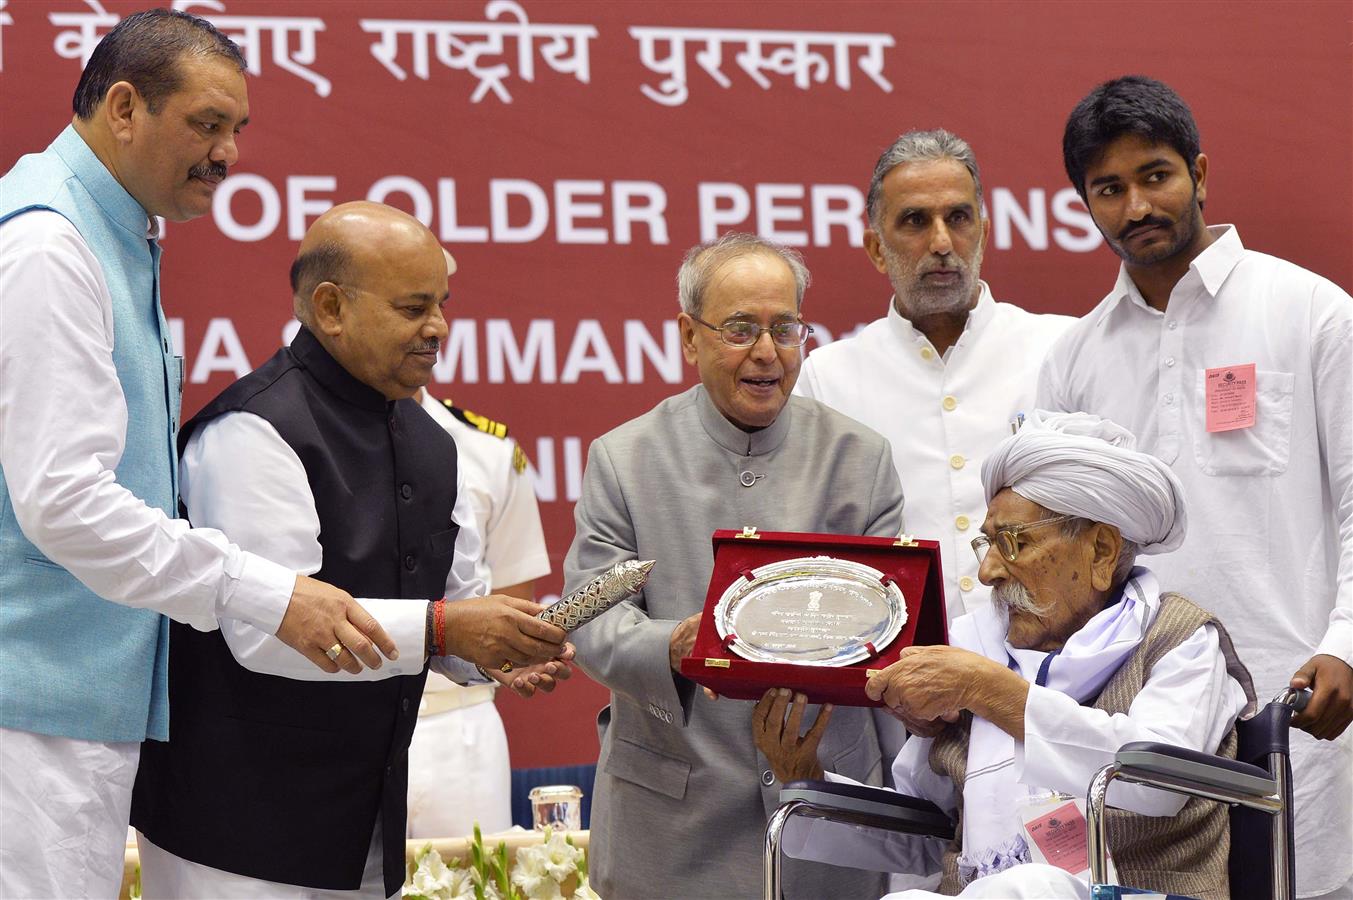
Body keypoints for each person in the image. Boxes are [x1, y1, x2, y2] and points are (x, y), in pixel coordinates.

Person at [0, 11, 395, 898]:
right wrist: (262, 593)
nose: (227, 155)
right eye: (206, 125)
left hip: (60, 708)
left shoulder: (108, 233)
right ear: (126, 107)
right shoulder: (49, 245)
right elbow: (63, 501)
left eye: (237, 131)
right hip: (28, 718)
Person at [130, 202, 572, 898]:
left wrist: (491, 648)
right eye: (411, 307)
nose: (438, 328)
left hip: (365, 821)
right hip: (232, 828)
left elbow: (449, 609)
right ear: (331, 308)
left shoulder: (434, 442)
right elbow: (268, 631)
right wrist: (448, 629)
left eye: (441, 305)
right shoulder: (253, 430)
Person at [1040, 75, 1352, 898]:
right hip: (1140, 725)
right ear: (1084, 203)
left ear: (1199, 173)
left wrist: (1345, 644)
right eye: (1109, 188)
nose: (1137, 204)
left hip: (1296, 699)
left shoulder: (1310, 312)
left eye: (1155, 175)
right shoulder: (1073, 359)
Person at [757, 411, 1256, 900]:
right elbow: (923, 832)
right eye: (987, 543)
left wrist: (990, 690)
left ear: (1101, 550)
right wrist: (806, 777)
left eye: (1013, 542)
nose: (989, 571)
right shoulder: (977, 645)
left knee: (1029, 887)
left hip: (1138, 892)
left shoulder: (1181, 638)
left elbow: (1154, 782)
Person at [564, 232, 906, 899]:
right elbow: (591, 618)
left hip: (823, 811)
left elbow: (890, 629)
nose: (766, 353)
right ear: (689, 338)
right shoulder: (624, 458)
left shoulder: (857, 459)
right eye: (740, 329)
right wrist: (673, 643)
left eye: (785, 329)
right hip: (671, 825)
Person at [795, 129, 1072, 619]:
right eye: (915, 221)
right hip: (896, 678)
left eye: (958, 218)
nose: (942, 242)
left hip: (1051, 672)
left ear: (983, 232)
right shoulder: (826, 379)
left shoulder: (1060, 347)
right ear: (877, 249)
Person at [407, 275, 552, 837]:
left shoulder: (488, 451)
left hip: (460, 723)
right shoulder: (300, 440)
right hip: (336, 721)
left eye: (434, 306)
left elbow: (515, 612)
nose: (428, 325)